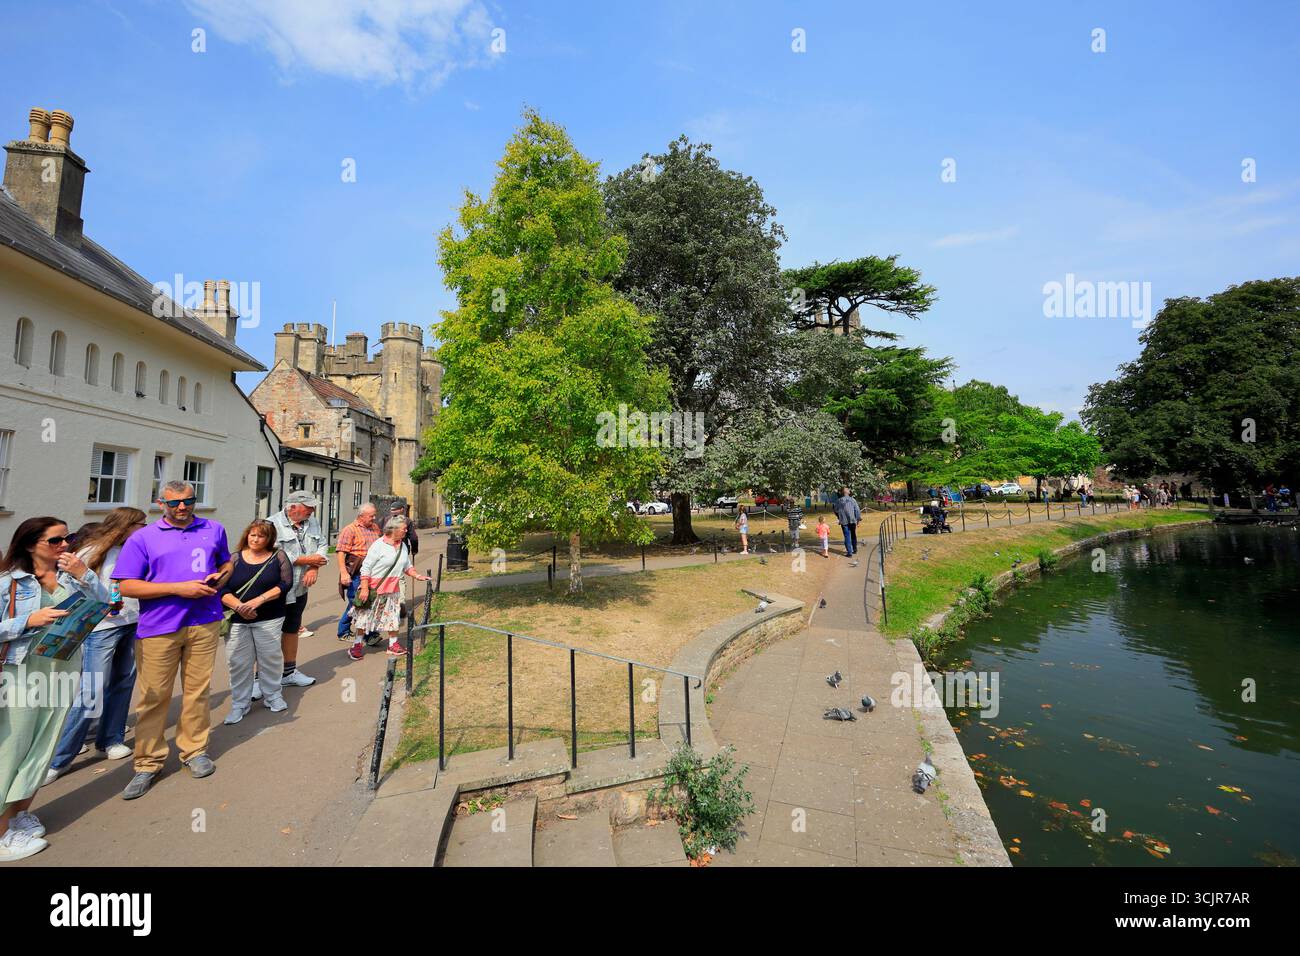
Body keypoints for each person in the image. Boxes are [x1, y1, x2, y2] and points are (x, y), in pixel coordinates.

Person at [1, 516, 113, 860]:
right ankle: (1, 833)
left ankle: (18, 815)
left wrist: (84, 574)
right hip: (22, 671)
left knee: (44, 745)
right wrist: (27, 621)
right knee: (13, 746)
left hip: (63, 666)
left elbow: (105, 604)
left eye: (69, 538)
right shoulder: (9, 582)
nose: (65, 545)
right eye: (55, 540)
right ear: (29, 544)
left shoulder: (71, 575)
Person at [112, 480, 233, 801]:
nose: (182, 508)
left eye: (188, 501)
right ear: (160, 503)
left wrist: (221, 576)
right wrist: (179, 588)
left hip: (204, 622)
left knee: (197, 692)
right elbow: (126, 586)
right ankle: (148, 763)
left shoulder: (214, 528)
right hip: (158, 627)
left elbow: (226, 562)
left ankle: (194, 751)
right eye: (174, 503)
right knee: (153, 697)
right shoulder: (142, 538)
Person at [44, 507, 147, 785]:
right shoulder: (89, 552)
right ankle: (59, 758)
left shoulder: (132, 550)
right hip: (100, 629)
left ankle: (110, 739)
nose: (144, 528)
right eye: (141, 524)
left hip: (132, 622)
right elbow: (67, 588)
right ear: (127, 525)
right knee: (91, 689)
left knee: (123, 682)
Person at [220, 519, 294, 724]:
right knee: (238, 662)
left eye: (261, 536)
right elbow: (220, 588)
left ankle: (272, 696)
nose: (255, 539)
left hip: (269, 617)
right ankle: (239, 704)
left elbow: (286, 583)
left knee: (269, 658)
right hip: (236, 619)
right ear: (246, 535)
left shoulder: (277, 556)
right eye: (253, 534)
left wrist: (258, 601)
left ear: (269, 539)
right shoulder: (233, 558)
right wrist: (239, 606)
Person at [266, 491, 328, 689]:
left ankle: (289, 673)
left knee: (292, 629)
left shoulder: (313, 522)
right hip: (277, 590)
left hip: (300, 588)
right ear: (292, 507)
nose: (312, 510)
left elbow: (323, 544)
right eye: (308, 507)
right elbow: (271, 554)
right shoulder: (270, 524)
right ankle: (261, 679)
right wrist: (308, 560)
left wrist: (314, 567)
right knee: (268, 634)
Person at [346, 516, 430, 662]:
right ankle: (357, 645)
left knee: (393, 617)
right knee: (365, 618)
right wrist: (365, 588)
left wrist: (417, 575)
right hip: (374, 589)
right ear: (393, 529)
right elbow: (366, 567)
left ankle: (393, 644)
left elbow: (406, 566)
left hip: (393, 590)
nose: (406, 531)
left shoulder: (402, 546)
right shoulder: (378, 545)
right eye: (404, 528)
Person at [336, 503, 382, 644]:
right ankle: (344, 631)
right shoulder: (350, 530)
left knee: (370, 602)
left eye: (374, 515)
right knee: (358, 603)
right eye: (371, 516)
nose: (374, 518)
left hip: (373, 573)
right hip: (356, 572)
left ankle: (369, 634)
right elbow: (341, 553)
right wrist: (344, 573)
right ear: (361, 516)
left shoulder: (374, 528)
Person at [832, 487, 861, 557]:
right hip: (852, 520)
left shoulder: (838, 501)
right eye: (848, 490)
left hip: (844, 521)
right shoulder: (852, 500)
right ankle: (854, 549)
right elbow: (857, 510)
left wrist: (839, 517)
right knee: (853, 534)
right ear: (847, 492)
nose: (849, 491)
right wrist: (858, 520)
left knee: (847, 536)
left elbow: (835, 510)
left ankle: (850, 552)